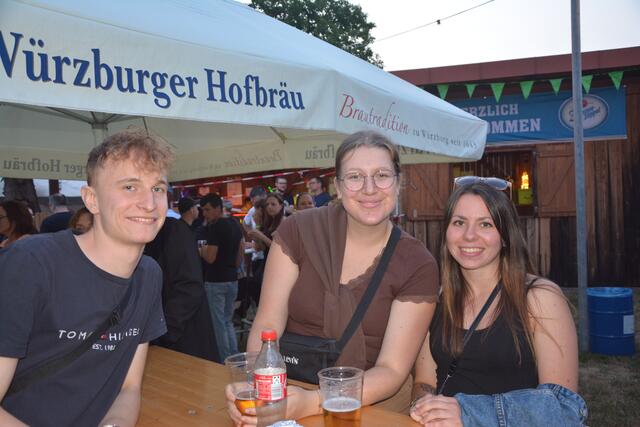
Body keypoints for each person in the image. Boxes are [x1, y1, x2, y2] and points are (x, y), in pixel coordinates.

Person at [226, 131, 439, 424]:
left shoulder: (417, 264)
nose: (369, 189)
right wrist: (260, 394)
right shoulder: (298, 231)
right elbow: (266, 327)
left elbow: (391, 369)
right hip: (287, 391)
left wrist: (313, 402)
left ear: (398, 182)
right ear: (337, 186)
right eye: (354, 177)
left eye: (381, 175)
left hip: (370, 408)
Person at [0, 128, 173, 426]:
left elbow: (128, 388)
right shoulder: (32, 263)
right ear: (91, 200)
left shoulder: (148, 275)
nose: (149, 203)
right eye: (129, 187)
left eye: (158, 188)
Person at [410, 179, 586, 426]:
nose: (469, 235)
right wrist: (423, 405)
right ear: (446, 232)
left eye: (485, 224)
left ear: (505, 237)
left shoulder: (540, 298)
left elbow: (562, 407)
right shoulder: (437, 300)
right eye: (459, 222)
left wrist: (469, 413)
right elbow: (425, 381)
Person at [144, 217, 220, 362]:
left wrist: (162, 334)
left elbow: (189, 287)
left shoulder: (171, 231)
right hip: (157, 341)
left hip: (182, 342)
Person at [199, 193, 244, 361]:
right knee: (227, 321)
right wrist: (233, 267)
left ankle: (224, 360)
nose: (204, 214)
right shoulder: (234, 224)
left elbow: (210, 257)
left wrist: (201, 250)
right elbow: (240, 250)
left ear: (218, 208)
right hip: (232, 278)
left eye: (207, 210)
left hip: (216, 280)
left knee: (218, 324)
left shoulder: (216, 227)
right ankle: (235, 357)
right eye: (203, 210)